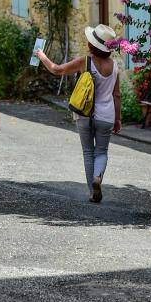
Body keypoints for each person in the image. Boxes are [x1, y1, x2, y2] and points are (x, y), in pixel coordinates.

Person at [37, 24, 121, 203]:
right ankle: (98, 176)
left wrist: (42, 56)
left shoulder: (85, 61)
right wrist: (118, 118)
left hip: (84, 113)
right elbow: (117, 95)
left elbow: (57, 69)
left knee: (88, 152)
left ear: (92, 45)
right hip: (106, 115)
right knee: (101, 152)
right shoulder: (114, 66)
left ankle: (92, 192)